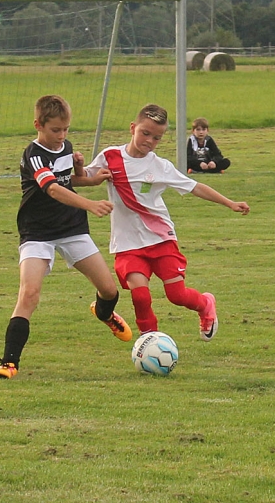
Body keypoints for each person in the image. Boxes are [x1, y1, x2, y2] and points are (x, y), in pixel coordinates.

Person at [0, 95, 132, 380]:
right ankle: (9, 363)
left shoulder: (65, 146)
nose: (62, 136)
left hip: (71, 228)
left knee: (110, 291)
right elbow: (53, 189)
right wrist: (91, 204)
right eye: (56, 130)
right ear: (38, 125)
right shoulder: (34, 154)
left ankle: (104, 314)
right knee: (29, 293)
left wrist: (87, 175)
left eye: (66, 129)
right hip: (37, 232)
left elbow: (68, 180)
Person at [86, 104, 250, 340]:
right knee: (140, 297)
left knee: (176, 295)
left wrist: (230, 203)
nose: (150, 141)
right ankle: (149, 339)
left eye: (157, 137)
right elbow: (85, 178)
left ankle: (205, 304)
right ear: (133, 128)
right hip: (128, 243)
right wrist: (76, 169)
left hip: (161, 238)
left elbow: (196, 187)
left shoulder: (160, 166)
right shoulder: (110, 157)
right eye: (145, 133)